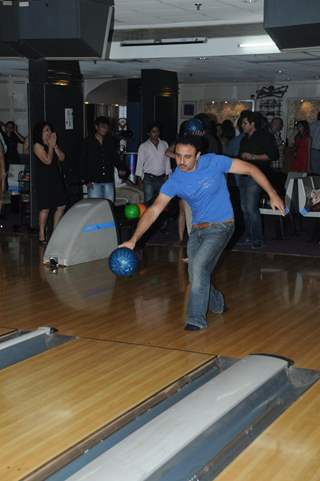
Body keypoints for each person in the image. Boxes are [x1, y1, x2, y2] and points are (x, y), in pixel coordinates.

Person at [120, 135, 284, 331]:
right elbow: (154, 210)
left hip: (222, 225)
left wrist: (273, 194)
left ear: (198, 155)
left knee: (198, 268)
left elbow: (251, 169)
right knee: (196, 274)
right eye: (178, 156)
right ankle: (217, 302)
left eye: (187, 157)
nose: (181, 161)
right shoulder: (175, 180)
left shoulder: (214, 162)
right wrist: (133, 240)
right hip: (198, 230)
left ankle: (195, 319)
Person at [238, 111, 279, 248]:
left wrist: (253, 157)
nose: (242, 125)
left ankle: (257, 239)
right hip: (243, 175)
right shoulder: (244, 138)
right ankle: (249, 236)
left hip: (257, 176)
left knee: (251, 208)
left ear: (252, 123)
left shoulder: (264, 136)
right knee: (244, 208)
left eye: (245, 123)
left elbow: (273, 155)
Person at [33, 122, 66, 244]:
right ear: (40, 132)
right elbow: (47, 160)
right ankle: (42, 234)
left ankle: (55, 231)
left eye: (50, 130)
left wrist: (55, 145)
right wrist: (51, 146)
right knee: (45, 208)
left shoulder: (52, 144)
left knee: (61, 205)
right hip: (44, 179)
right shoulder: (37, 145)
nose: (49, 132)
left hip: (55, 177)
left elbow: (62, 158)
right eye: (46, 130)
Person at [81, 116, 119, 202]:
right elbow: (83, 161)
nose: (105, 129)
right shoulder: (87, 142)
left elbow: (115, 158)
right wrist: (86, 180)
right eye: (103, 126)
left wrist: (122, 169)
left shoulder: (110, 141)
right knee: (95, 208)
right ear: (96, 127)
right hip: (94, 181)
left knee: (109, 207)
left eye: (106, 127)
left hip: (108, 180)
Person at [135, 122, 171, 205]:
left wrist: (167, 175)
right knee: (148, 201)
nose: (156, 133)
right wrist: (139, 179)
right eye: (153, 131)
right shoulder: (143, 146)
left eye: (157, 131)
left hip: (162, 178)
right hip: (148, 178)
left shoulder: (165, 144)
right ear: (148, 133)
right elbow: (139, 163)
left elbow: (167, 160)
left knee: (162, 202)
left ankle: (161, 218)